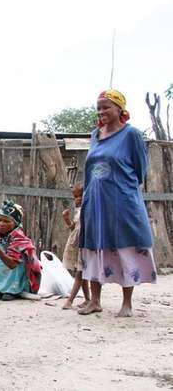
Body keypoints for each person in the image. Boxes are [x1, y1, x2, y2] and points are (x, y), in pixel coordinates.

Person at [78, 90, 156, 317]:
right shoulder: (95, 135)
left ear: (120, 110)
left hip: (122, 201)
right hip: (95, 202)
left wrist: (120, 187)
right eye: (99, 107)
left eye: (106, 107)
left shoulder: (131, 135)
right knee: (94, 247)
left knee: (125, 247)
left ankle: (127, 303)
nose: (101, 112)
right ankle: (95, 301)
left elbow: (140, 171)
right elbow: (91, 170)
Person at [61, 184, 90, 310]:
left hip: (85, 245)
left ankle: (70, 301)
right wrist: (67, 219)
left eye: (80, 196)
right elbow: (74, 228)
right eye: (75, 197)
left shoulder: (89, 210)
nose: (77, 199)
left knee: (79, 273)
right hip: (76, 245)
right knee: (81, 273)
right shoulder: (79, 212)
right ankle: (88, 299)